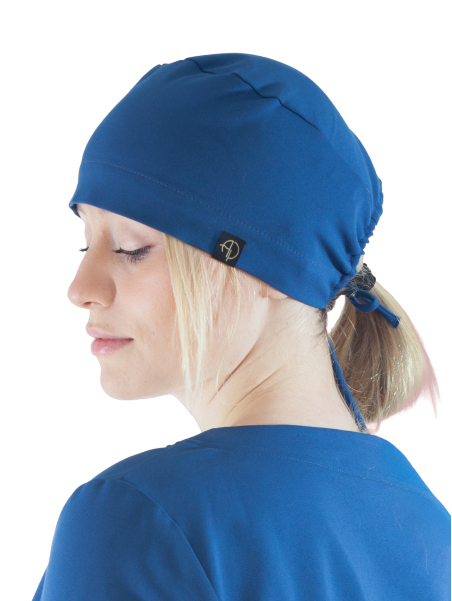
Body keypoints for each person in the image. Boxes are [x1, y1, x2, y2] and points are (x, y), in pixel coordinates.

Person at [32, 53, 450, 600]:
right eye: (85, 243)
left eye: (133, 248)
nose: (80, 287)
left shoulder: (139, 521)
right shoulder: (430, 528)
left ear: (273, 269)